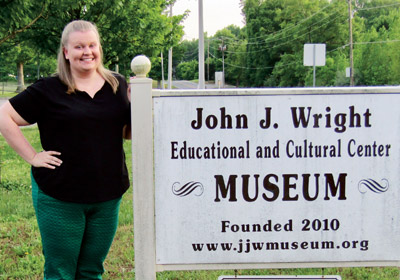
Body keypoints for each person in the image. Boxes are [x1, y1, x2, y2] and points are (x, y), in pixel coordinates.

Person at [0, 20, 131, 279]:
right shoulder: (49, 88)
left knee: (92, 269)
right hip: (59, 195)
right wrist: (33, 156)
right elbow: (5, 115)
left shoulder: (117, 84)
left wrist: (136, 105)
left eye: (92, 45)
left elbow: (127, 134)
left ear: (99, 49)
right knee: (60, 271)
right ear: (66, 52)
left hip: (107, 194)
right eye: (79, 46)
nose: (87, 52)